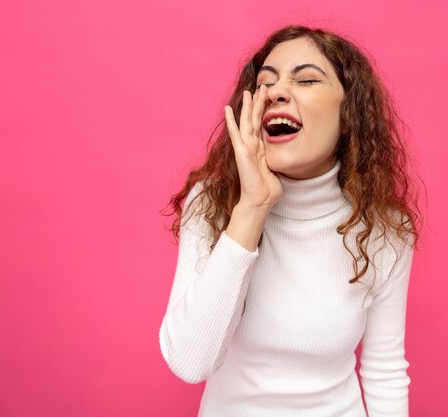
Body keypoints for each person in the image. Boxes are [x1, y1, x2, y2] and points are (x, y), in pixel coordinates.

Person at [159, 24, 423, 417]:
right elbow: (191, 363)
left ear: (349, 114)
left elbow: (384, 372)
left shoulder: (384, 230)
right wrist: (252, 207)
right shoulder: (213, 206)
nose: (277, 92)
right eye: (266, 82)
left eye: (306, 79)